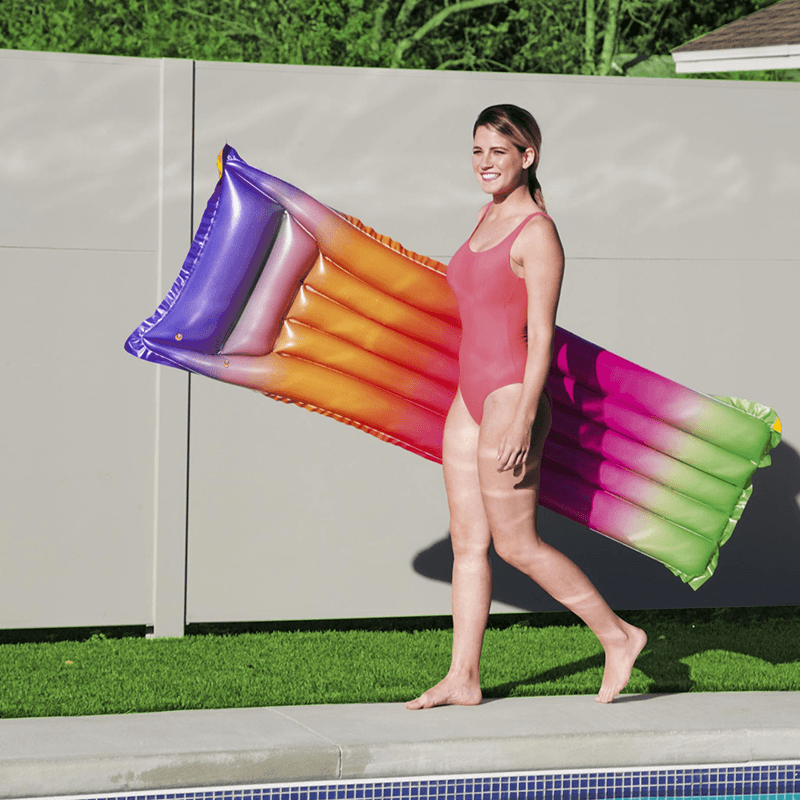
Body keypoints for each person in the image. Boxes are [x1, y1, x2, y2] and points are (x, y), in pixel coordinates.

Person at [405, 104, 646, 709]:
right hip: (469, 394)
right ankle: (463, 678)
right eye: (478, 150)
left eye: (499, 152)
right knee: (468, 542)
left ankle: (619, 637)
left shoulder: (537, 232)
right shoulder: (486, 215)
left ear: (527, 156)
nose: (486, 163)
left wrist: (521, 415)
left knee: (516, 544)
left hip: (512, 394)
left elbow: (542, 336)